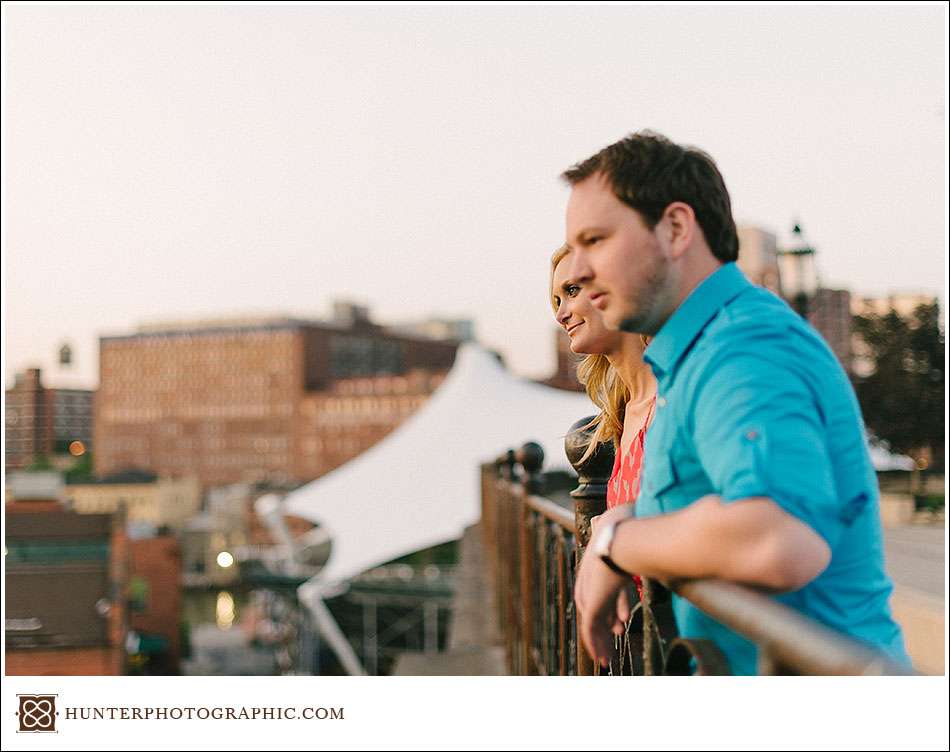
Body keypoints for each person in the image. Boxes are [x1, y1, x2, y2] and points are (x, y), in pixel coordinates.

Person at [561, 130, 909, 674]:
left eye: (596, 239)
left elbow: (780, 541)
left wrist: (615, 540)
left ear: (676, 228)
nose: (577, 270)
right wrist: (625, 518)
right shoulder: (705, 351)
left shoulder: (744, 348)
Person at [550, 244, 657, 511]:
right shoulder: (624, 413)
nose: (561, 315)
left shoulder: (672, 401)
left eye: (572, 291)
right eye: (557, 301)